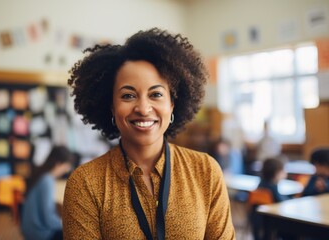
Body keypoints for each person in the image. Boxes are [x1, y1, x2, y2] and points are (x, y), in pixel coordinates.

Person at [63, 28, 235, 239]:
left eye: (156, 94)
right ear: (111, 106)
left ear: (172, 103)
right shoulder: (86, 184)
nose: (143, 108)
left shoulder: (206, 172)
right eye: (128, 95)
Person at [21, 146, 74, 240]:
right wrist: (67, 224)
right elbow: (48, 219)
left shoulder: (41, 175)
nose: (66, 170)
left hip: (28, 230)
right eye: (66, 166)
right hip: (38, 234)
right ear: (58, 164)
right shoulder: (47, 181)